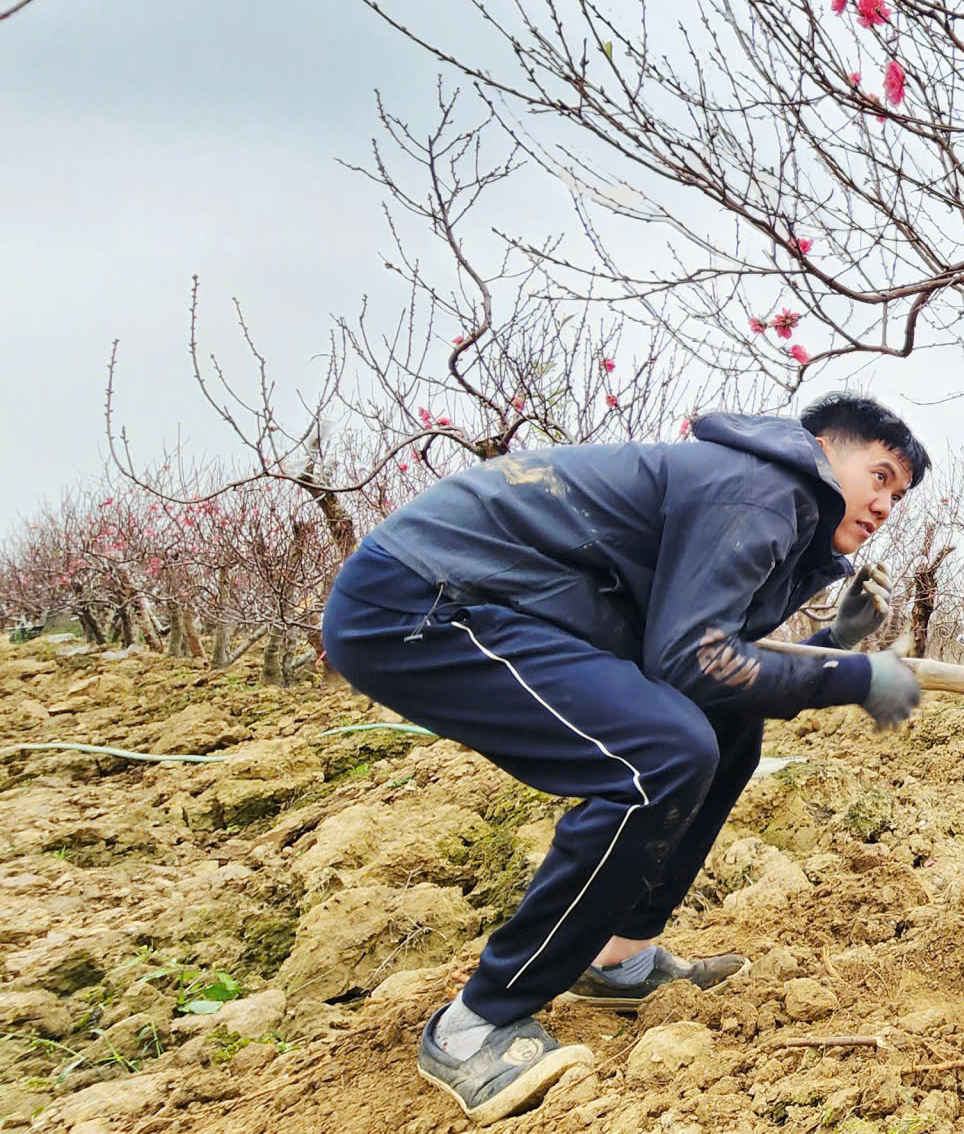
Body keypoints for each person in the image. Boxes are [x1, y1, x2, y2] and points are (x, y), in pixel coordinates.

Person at [319, 394, 929, 1123]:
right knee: (662, 753)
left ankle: (618, 958)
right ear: (826, 449)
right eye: (881, 473)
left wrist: (832, 642)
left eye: (900, 493)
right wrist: (856, 678)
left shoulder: (772, 502)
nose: (887, 502)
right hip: (421, 600)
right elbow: (691, 659)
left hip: (489, 603)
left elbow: (719, 657)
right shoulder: (763, 488)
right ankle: (475, 1022)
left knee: (724, 730)